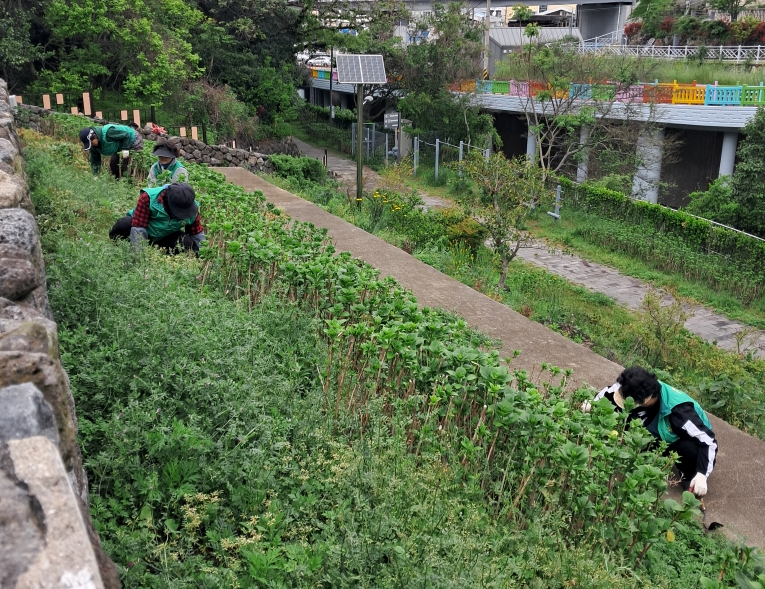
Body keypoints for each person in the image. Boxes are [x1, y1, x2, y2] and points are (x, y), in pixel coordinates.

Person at [584, 366, 717, 497]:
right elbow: (607, 393)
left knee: (689, 449)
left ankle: (691, 481)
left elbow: (709, 441)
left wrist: (702, 475)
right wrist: (592, 405)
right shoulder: (629, 385)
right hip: (652, 432)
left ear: (646, 400)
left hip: (677, 439)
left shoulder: (679, 412)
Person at [109, 183, 205, 253]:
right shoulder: (148, 198)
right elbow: (139, 228)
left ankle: (163, 253)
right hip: (144, 230)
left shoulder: (191, 209)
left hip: (165, 235)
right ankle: (119, 245)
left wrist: (203, 255)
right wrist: (138, 255)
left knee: (187, 243)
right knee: (124, 224)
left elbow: (196, 233)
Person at [79, 124, 144, 178]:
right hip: (120, 144)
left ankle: (129, 182)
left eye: (91, 142)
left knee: (126, 164)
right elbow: (95, 161)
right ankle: (117, 182)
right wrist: (96, 175)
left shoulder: (108, 133)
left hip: (133, 138)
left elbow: (126, 135)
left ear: (95, 136)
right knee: (114, 164)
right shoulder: (93, 147)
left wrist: (125, 149)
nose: (92, 145)